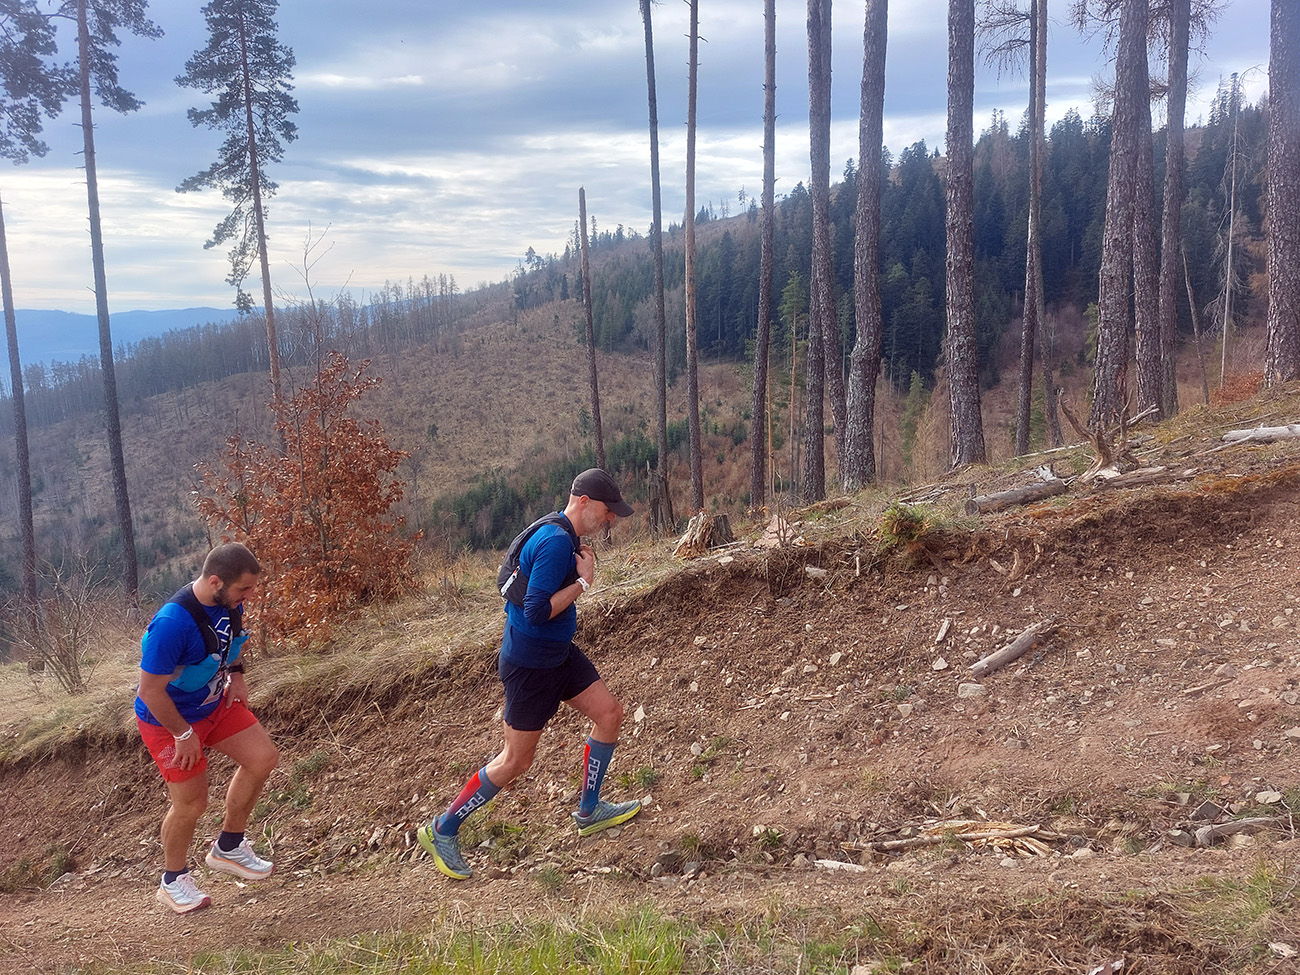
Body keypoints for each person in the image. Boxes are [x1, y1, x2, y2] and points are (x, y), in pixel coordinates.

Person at [418, 468, 642, 880]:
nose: (610, 518)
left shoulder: (560, 532)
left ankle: (590, 811)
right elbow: (537, 611)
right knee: (516, 761)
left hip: (558, 655)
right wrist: (584, 583)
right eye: (608, 510)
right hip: (530, 666)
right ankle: (443, 829)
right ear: (584, 502)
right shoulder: (555, 542)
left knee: (609, 714)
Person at [135, 542, 279, 914]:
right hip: (169, 720)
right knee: (192, 803)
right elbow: (149, 691)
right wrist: (183, 734)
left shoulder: (230, 603)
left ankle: (229, 846)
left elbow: (233, 643)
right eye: (244, 589)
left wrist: (237, 675)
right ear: (215, 581)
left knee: (263, 758)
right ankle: (172, 880)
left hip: (214, 705)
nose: (249, 597)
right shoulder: (172, 624)